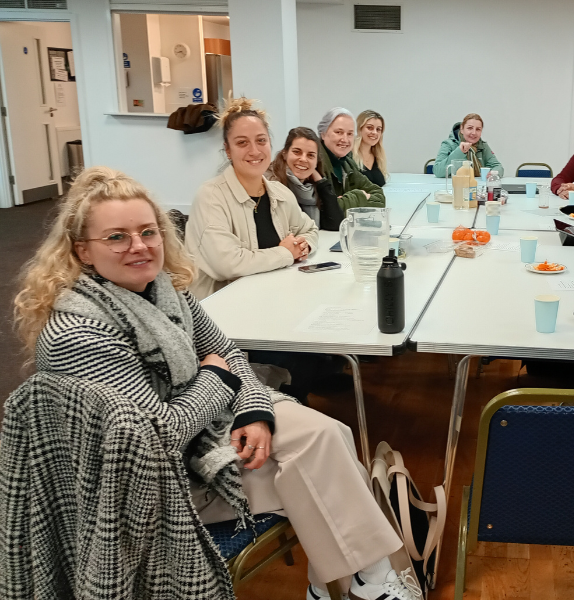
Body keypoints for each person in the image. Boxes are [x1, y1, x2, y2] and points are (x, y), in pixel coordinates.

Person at [11, 166, 416, 600]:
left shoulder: (165, 290)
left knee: (328, 434)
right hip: (152, 484)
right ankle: (360, 581)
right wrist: (216, 378)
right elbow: (156, 437)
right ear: (82, 252)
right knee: (320, 471)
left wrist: (254, 409)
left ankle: (351, 580)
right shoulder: (79, 333)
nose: (139, 246)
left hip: (205, 431)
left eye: (149, 232)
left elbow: (230, 354)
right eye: (116, 237)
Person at [185, 97, 319, 300]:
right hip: (221, 312)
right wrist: (285, 254)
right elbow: (228, 264)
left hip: (272, 298)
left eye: (261, 140)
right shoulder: (210, 197)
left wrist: (303, 245)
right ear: (228, 150)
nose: (254, 151)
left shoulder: (280, 193)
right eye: (242, 143)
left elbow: (309, 229)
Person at [267, 126, 345, 231]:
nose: (303, 159)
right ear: (285, 154)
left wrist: (321, 182)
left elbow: (335, 224)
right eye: (297, 152)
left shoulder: (312, 187)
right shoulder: (271, 183)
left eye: (310, 155)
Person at [317, 107, 386, 209]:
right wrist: (361, 196)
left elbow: (380, 199)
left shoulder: (347, 165)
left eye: (349, 134)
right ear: (323, 134)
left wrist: (346, 200)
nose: (345, 139)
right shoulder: (315, 165)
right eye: (339, 132)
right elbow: (329, 211)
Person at [432, 113, 503, 178]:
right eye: (470, 128)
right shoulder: (449, 144)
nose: (474, 133)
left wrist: (493, 173)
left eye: (478, 129)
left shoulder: (483, 146)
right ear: (462, 129)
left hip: (477, 186)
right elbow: (438, 171)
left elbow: (498, 166)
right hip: (453, 187)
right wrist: (460, 151)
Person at [354, 109, 388, 187]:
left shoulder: (378, 158)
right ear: (359, 129)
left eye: (378, 129)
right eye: (370, 128)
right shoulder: (349, 157)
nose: (375, 133)